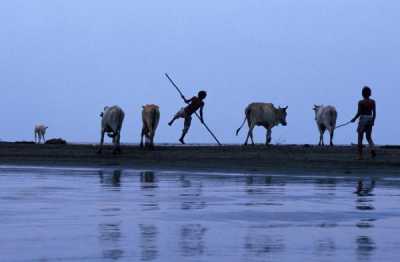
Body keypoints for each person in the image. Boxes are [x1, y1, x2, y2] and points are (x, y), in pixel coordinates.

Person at [351, 86, 376, 159]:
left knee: (360, 137)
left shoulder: (361, 102)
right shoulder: (373, 102)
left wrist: (354, 119)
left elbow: (359, 112)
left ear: (362, 94)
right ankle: (373, 149)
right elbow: (374, 113)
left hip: (363, 119)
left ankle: (360, 156)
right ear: (370, 93)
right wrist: (373, 121)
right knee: (368, 137)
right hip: (370, 119)